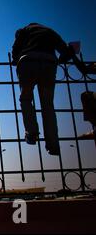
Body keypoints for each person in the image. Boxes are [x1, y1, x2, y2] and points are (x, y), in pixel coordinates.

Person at [11, 23, 74, 156]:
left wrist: (16, 59)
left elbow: (15, 49)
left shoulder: (24, 31)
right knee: (47, 105)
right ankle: (53, 144)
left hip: (28, 61)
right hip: (49, 62)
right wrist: (62, 58)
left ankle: (32, 132)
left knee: (26, 98)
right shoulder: (50, 31)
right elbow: (65, 52)